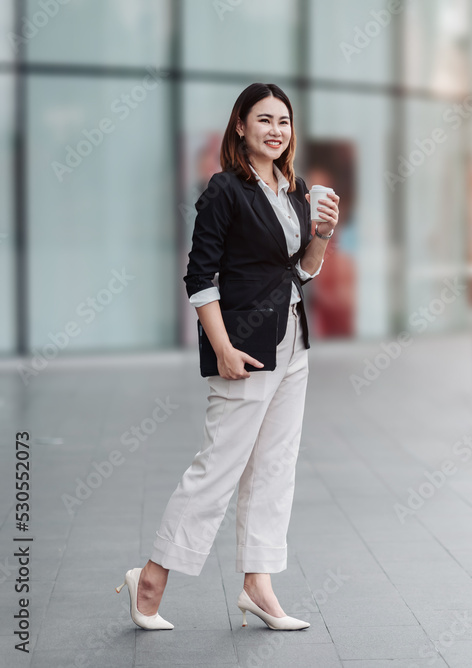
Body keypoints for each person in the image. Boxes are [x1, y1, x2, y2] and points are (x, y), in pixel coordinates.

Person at [115, 83, 339, 631]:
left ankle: (258, 586)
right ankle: (150, 577)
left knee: (275, 467)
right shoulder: (224, 190)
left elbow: (302, 271)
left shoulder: (296, 189)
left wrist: (324, 235)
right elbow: (200, 275)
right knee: (219, 467)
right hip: (244, 346)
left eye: (283, 121)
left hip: (292, 343)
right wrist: (222, 348)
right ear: (240, 126)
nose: (275, 130)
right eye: (263, 119)